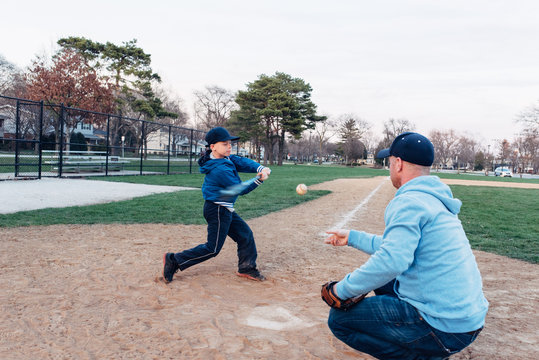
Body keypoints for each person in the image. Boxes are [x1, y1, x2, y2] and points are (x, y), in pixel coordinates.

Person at [323, 132, 489, 360]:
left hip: (446, 328)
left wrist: (340, 290)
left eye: (389, 162)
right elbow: (398, 249)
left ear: (398, 163)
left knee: (340, 321)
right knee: (386, 284)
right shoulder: (434, 198)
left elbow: (391, 261)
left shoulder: (408, 201)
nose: (389, 168)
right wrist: (352, 237)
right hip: (468, 319)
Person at [163, 127, 271, 283]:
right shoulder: (219, 168)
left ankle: (247, 267)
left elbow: (240, 161)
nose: (229, 147)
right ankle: (174, 260)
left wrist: (259, 168)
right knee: (212, 249)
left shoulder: (224, 159)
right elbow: (238, 188)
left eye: (229, 144)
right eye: (224, 144)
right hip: (217, 209)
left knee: (245, 235)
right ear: (212, 147)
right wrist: (258, 179)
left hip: (223, 208)